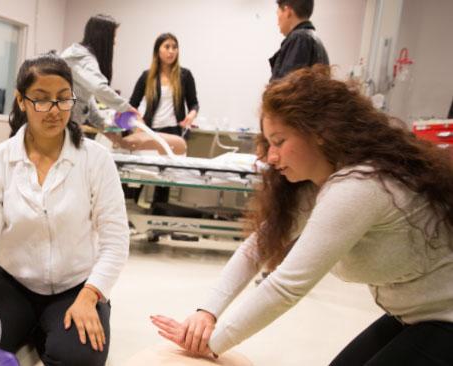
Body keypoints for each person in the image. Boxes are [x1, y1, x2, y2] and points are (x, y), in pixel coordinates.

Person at [151, 65, 453, 365]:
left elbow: (286, 286)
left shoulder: (360, 186)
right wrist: (207, 311)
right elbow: (258, 248)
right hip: (413, 313)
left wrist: (213, 343)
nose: (271, 156)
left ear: (320, 134)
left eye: (280, 142)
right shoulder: (320, 182)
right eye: (268, 143)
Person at [0, 54, 130, 366]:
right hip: (14, 284)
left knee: (78, 360)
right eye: (42, 100)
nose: (55, 111)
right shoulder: (0, 161)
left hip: (76, 288)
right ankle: (33, 330)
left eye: (63, 99)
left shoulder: (95, 160)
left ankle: (47, 333)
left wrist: (91, 295)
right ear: (21, 100)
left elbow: (116, 242)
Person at [60, 14, 138, 131]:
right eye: (113, 38)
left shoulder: (77, 56)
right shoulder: (82, 58)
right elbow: (98, 88)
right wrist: (125, 107)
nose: (114, 43)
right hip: (64, 123)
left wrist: (101, 122)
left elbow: (85, 95)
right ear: (103, 38)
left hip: (69, 122)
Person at [129, 33, 199, 137]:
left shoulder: (185, 75)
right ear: (158, 51)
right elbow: (132, 105)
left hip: (175, 131)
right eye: (167, 47)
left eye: (174, 47)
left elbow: (194, 103)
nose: (171, 51)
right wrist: (139, 122)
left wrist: (192, 114)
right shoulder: (147, 76)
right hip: (149, 131)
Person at [269, 0, 329, 81]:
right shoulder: (315, 40)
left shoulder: (299, 39)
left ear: (287, 11)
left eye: (278, 14)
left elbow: (287, 89)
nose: (277, 22)